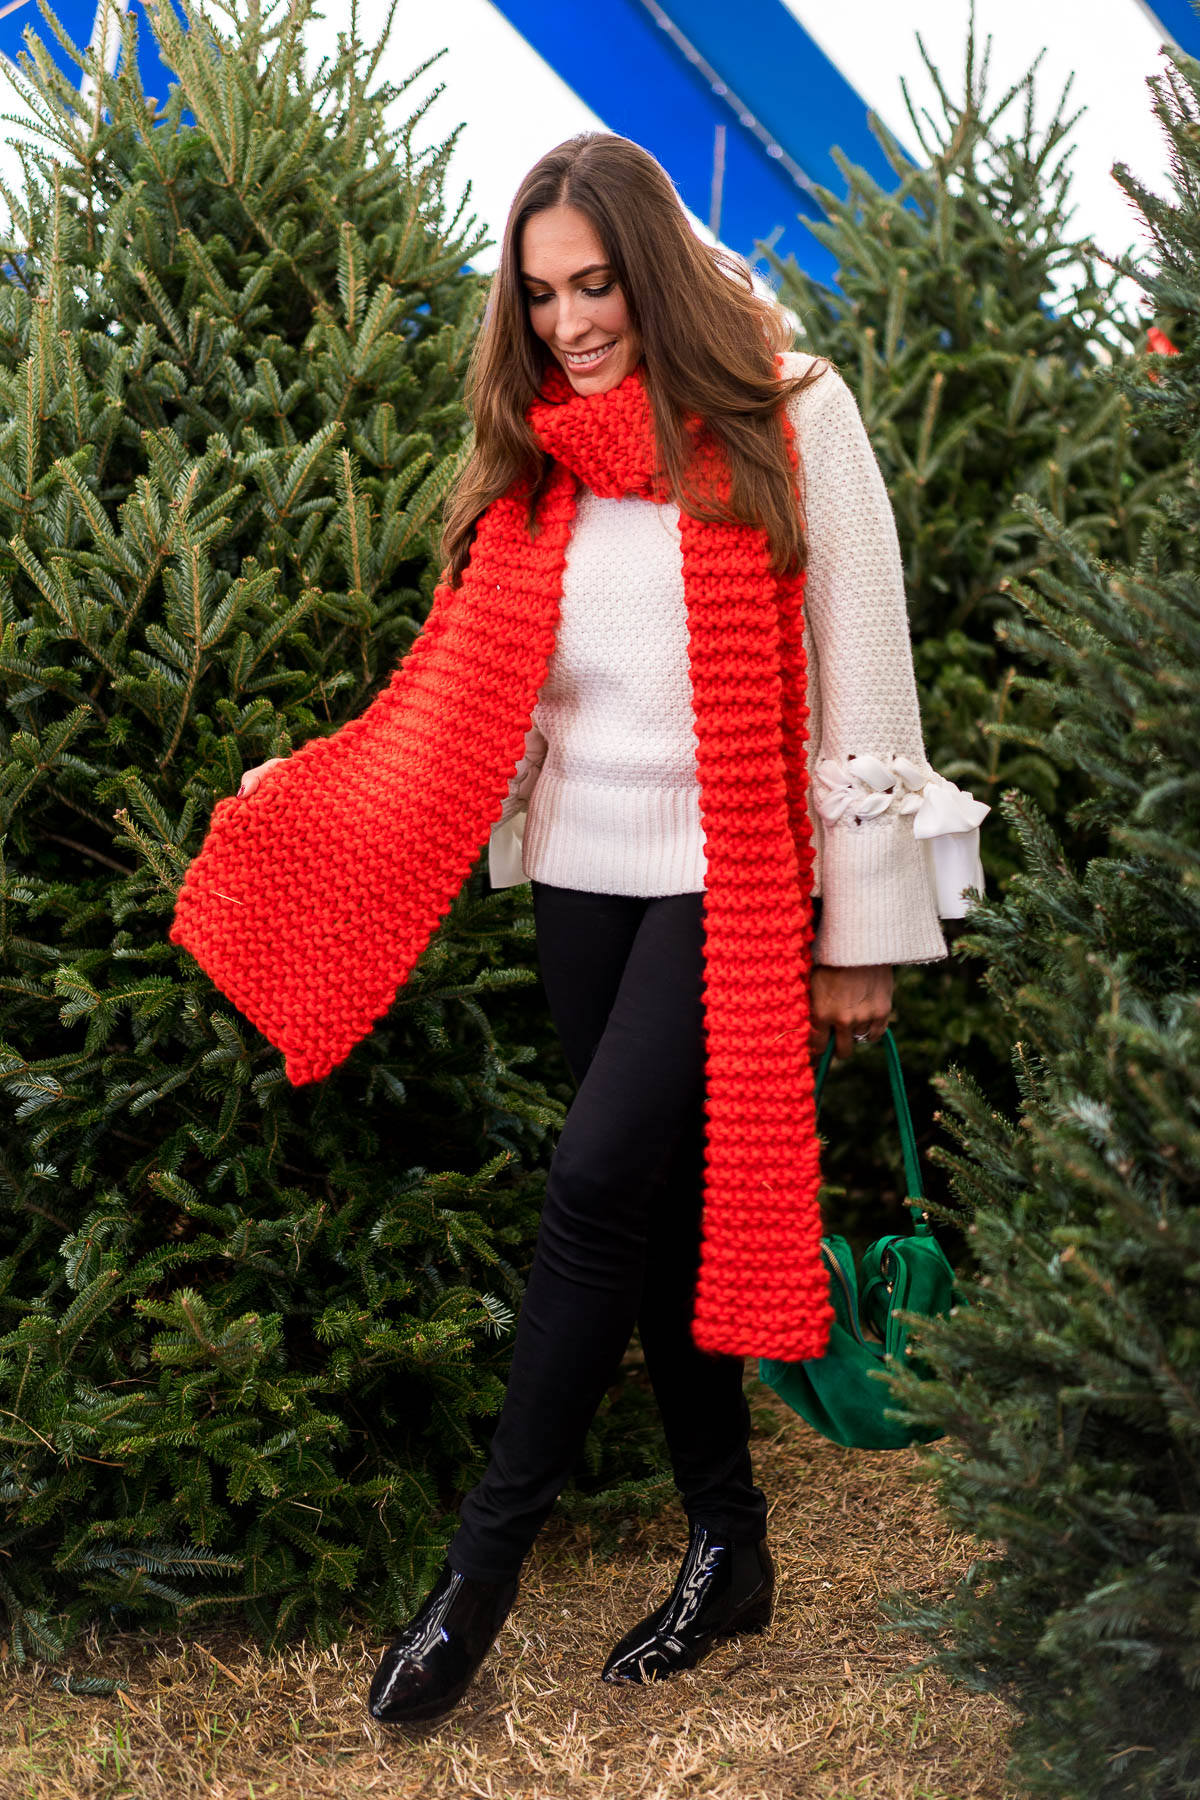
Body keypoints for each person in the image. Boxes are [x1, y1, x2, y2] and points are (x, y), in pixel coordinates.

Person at [234, 132, 986, 1727]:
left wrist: (862, 929)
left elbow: (868, 668)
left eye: (594, 286)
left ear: (649, 266)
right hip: (583, 869)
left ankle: (475, 1579)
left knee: (588, 1184)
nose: (570, 321)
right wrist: (318, 788)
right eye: (540, 293)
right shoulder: (543, 450)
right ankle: (732, 1542)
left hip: (735, 877)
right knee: (647, 1212)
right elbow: (460, 690)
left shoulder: (792, 413)